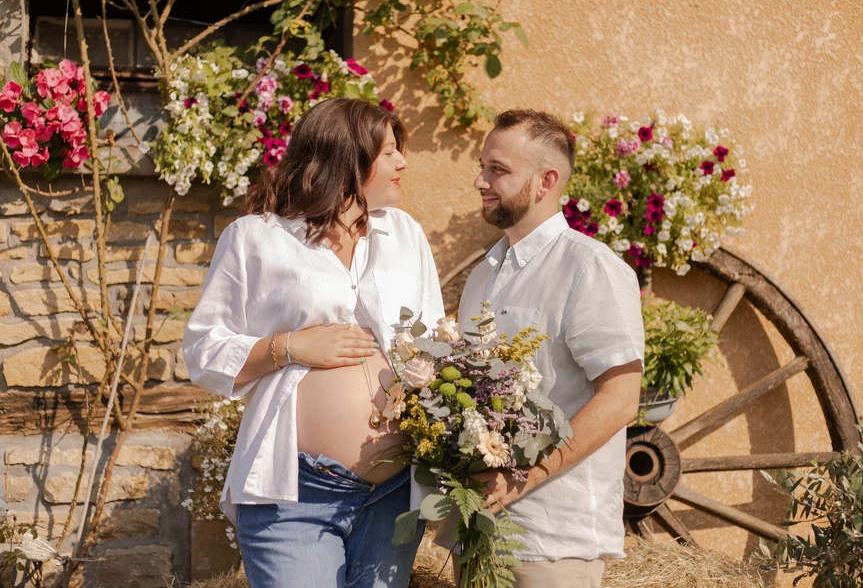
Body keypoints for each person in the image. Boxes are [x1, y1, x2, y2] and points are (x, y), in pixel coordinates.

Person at [182, 97, 445, 588]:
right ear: (347, 159)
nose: (402, 163)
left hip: (392, 492)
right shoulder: (256, 238)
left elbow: (433, 340)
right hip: (296, 490)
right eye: (389, 152)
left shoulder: (404, 232)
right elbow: (204, 349)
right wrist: (291, 347)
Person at [438, 109, 644, 587]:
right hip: (479, 534)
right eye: (482, 166)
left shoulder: (589, 269)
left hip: (553, 542)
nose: (479, 181)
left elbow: (620, 399)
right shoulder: (485, 275)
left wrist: (525, 477)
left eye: (498, 170)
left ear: (545, 180)